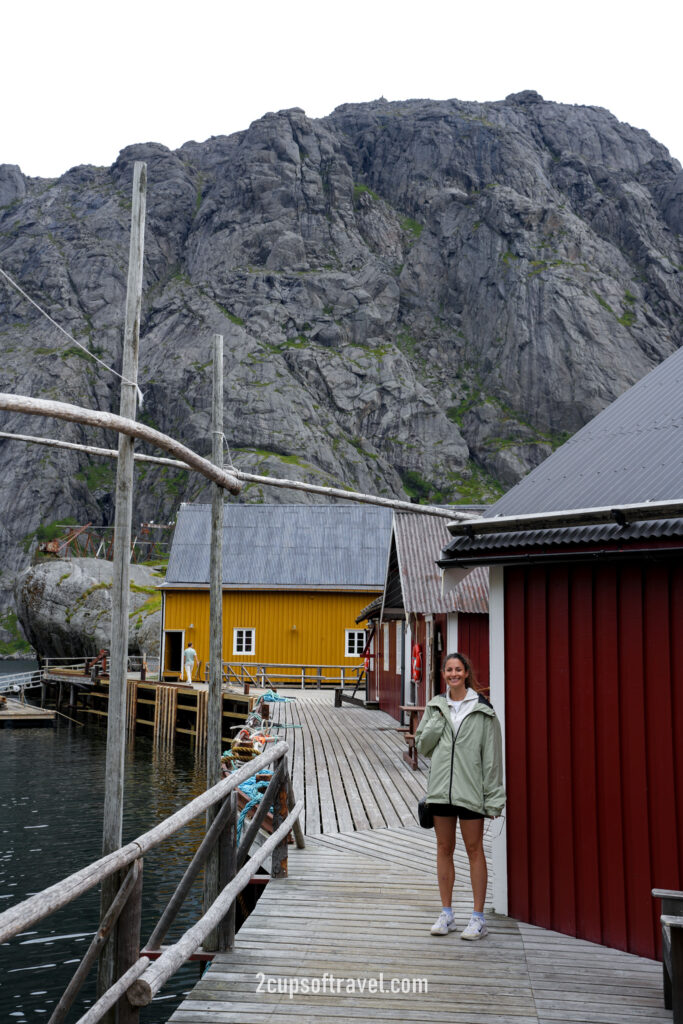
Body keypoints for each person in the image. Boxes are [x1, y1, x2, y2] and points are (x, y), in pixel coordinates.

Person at [415, 651, 505, 940]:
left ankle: (478, 918)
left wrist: (494, 798)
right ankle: (447, 914)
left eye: (458, 669)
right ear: (444, 675)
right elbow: (423, 746)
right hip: (440, 791)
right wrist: (437, 722)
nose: (453, 674)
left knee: (474, 850)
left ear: (466, 673)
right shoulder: (435, 707)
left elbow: (492, 759)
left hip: (471, 792)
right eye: (448, 670)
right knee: (444, 849)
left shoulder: (483, 710)